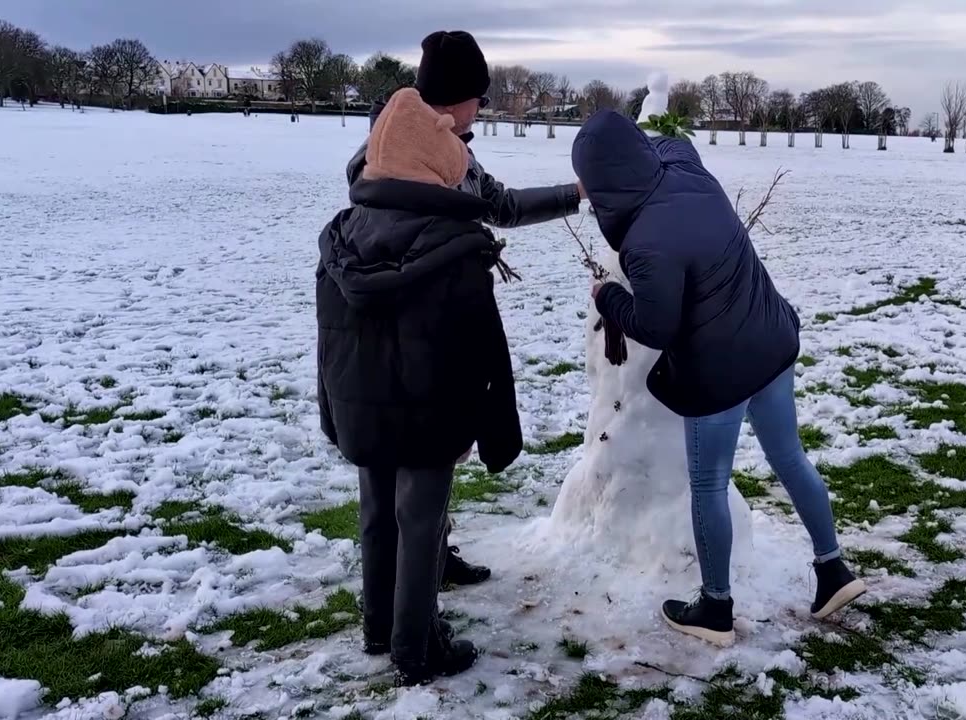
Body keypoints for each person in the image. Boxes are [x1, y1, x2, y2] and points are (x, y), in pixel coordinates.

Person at [572, 111, 866, 647]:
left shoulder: (644, 244)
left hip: (718, 373)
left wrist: (606, 297)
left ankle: (714, 608)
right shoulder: (689, 171)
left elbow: (655, 326)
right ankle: (832, 573)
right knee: (791, 457)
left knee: (708, 484)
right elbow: (674, 139)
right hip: (772, 340)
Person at [347, 29, 583, 590]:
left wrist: (574, 196)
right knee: (417, 460)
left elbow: (491, 205)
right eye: (478, 96)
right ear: (454, 99)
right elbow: (496, 206)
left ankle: (409, 583)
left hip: (369, 322)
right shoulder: (413, 153)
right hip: (411, 319)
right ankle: (414, 606)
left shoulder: (387, 142)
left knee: (391, 468)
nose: (482, 108)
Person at [316, 88, 523, 684]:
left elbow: (328, 338)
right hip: (432, 412)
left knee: (378, 512)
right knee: (423, 523)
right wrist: (491, 426)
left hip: (362, 405)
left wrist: (332, 407)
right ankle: (417, 646)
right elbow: (485, 349)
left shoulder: (340, 238)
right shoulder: (457, 246)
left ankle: (379, 626)